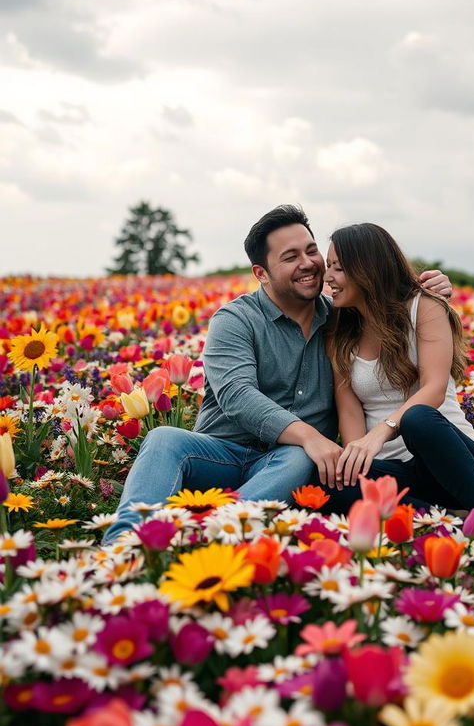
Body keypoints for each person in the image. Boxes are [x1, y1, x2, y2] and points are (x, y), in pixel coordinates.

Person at [103, 205, 451, 542]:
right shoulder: (234, 321)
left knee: (299, 457)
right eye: (290, 257)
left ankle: (218, 534)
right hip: (221, 454)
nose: (309, 264)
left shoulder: (343, 319)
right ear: (261, 273)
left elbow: (395, 306)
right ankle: (125, 545)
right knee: (164, 438)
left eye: (311, 251)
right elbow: (237, 395)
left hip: (291, 466)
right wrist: (309, 436)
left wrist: (426, 291)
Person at [323, 222, 474, 525]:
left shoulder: (424, 307)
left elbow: (434, 388)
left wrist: (380, 433)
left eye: (338, 268)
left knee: (417, 417)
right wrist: (358, 463)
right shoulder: (340, 331)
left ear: (367, 269)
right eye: (329, 267)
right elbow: (350, 411)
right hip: (399, 473)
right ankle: (450, 520)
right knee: (327, 482)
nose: (328, 277)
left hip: (455, 462)